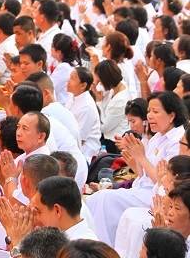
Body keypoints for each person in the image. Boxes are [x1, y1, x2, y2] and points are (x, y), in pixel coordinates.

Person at [87, 91, 187, 246]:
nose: (150, 116)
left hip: (158, 195)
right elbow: (144, 174)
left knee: (104, 199)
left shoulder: (176, 140)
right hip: (142, 188)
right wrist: (135, 162)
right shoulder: (157, 137)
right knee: (95, 198)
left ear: (172, 115)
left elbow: (162, 181)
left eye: (155, 111)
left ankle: (100, 247)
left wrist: (140, 158)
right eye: (148, 111)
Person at [31, 176, 98, 240]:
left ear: (57, 211)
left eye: (38, 212)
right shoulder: (67, 239)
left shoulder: (78, 248)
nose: (34, 219)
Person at [94, 60, 131, 153]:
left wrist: (99, 102)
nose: (99, 84)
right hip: (109, 138)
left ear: (107, 80)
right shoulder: (115, 88)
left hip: (114, 143)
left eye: (100, 81)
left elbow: (104, 127)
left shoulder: (120, 100)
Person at [66, 67, 102, 160]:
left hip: (85, 153)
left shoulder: (87, 106)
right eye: (69, 77)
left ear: (83, 85)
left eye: (72, 78)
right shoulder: (72, 96)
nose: (68, 81)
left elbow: (80, 138)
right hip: (71, 143)